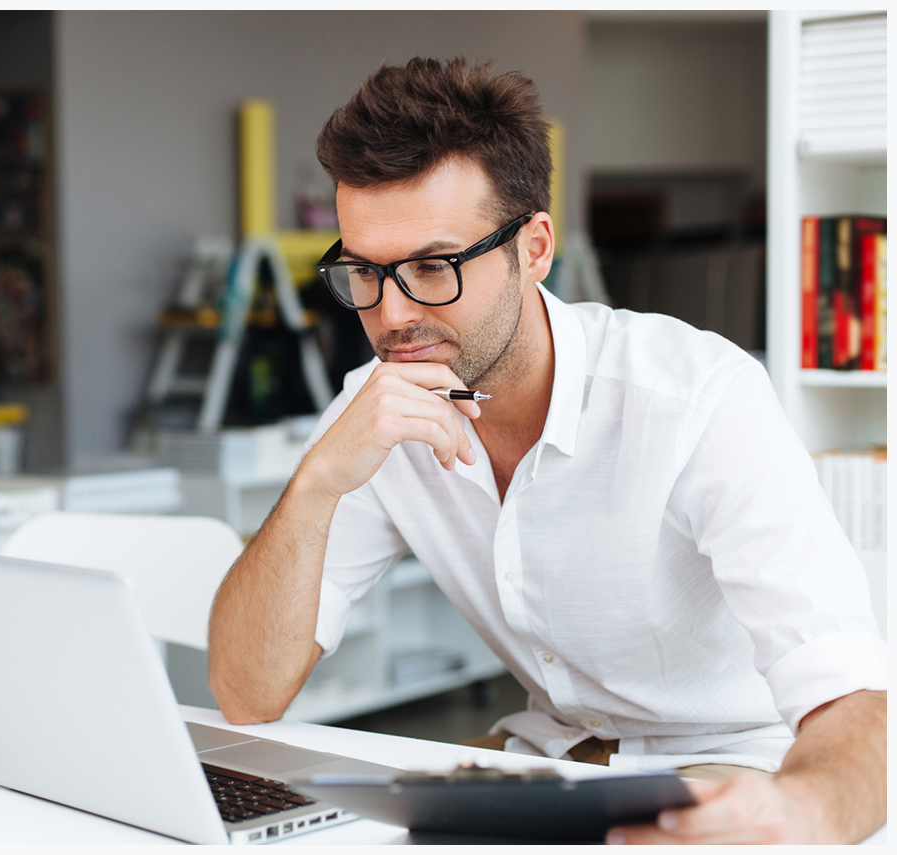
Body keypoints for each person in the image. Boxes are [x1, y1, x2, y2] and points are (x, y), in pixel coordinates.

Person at [207, 57, 886, 844]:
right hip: (543, 764)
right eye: (364, 271)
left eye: (432, 266)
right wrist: (318, 479)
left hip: (730, 768)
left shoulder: (698, 400)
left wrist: (802, 810)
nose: (391, 315)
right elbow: (244, 694)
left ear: (533, 250)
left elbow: (856, 705)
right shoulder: (374, 407)